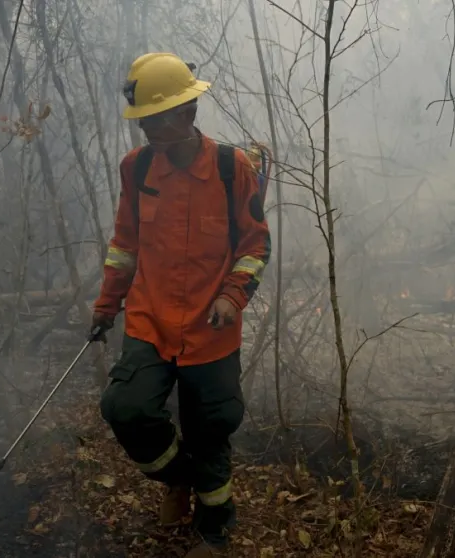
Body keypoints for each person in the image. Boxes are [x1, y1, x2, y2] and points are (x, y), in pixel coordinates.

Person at [90, 52, 270, 558]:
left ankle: (214, 529)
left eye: (155, 120)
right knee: (125, 409)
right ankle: (179, 476)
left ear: (187, 113)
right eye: (143, 121)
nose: (146, 130)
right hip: (149, 321)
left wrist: (232, 296)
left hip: (211, 329)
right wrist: (107, 304)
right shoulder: (138, 167)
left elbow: (256, 247)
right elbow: (125, 243)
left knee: (211, 428)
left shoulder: (233, 169)